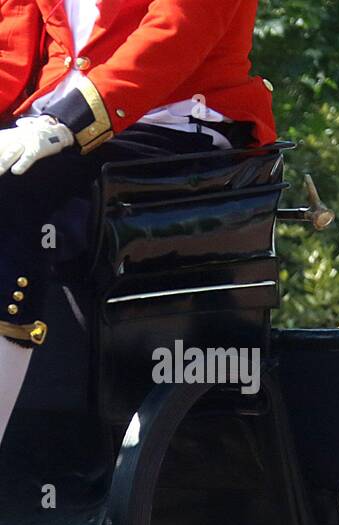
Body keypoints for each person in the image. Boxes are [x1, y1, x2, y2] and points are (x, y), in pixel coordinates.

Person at [0, 0, 276, 446]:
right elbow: (10, 52)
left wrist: (67, 123)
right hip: (47, 129)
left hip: (174, 126)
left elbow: (174, 33)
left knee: (15, 194)